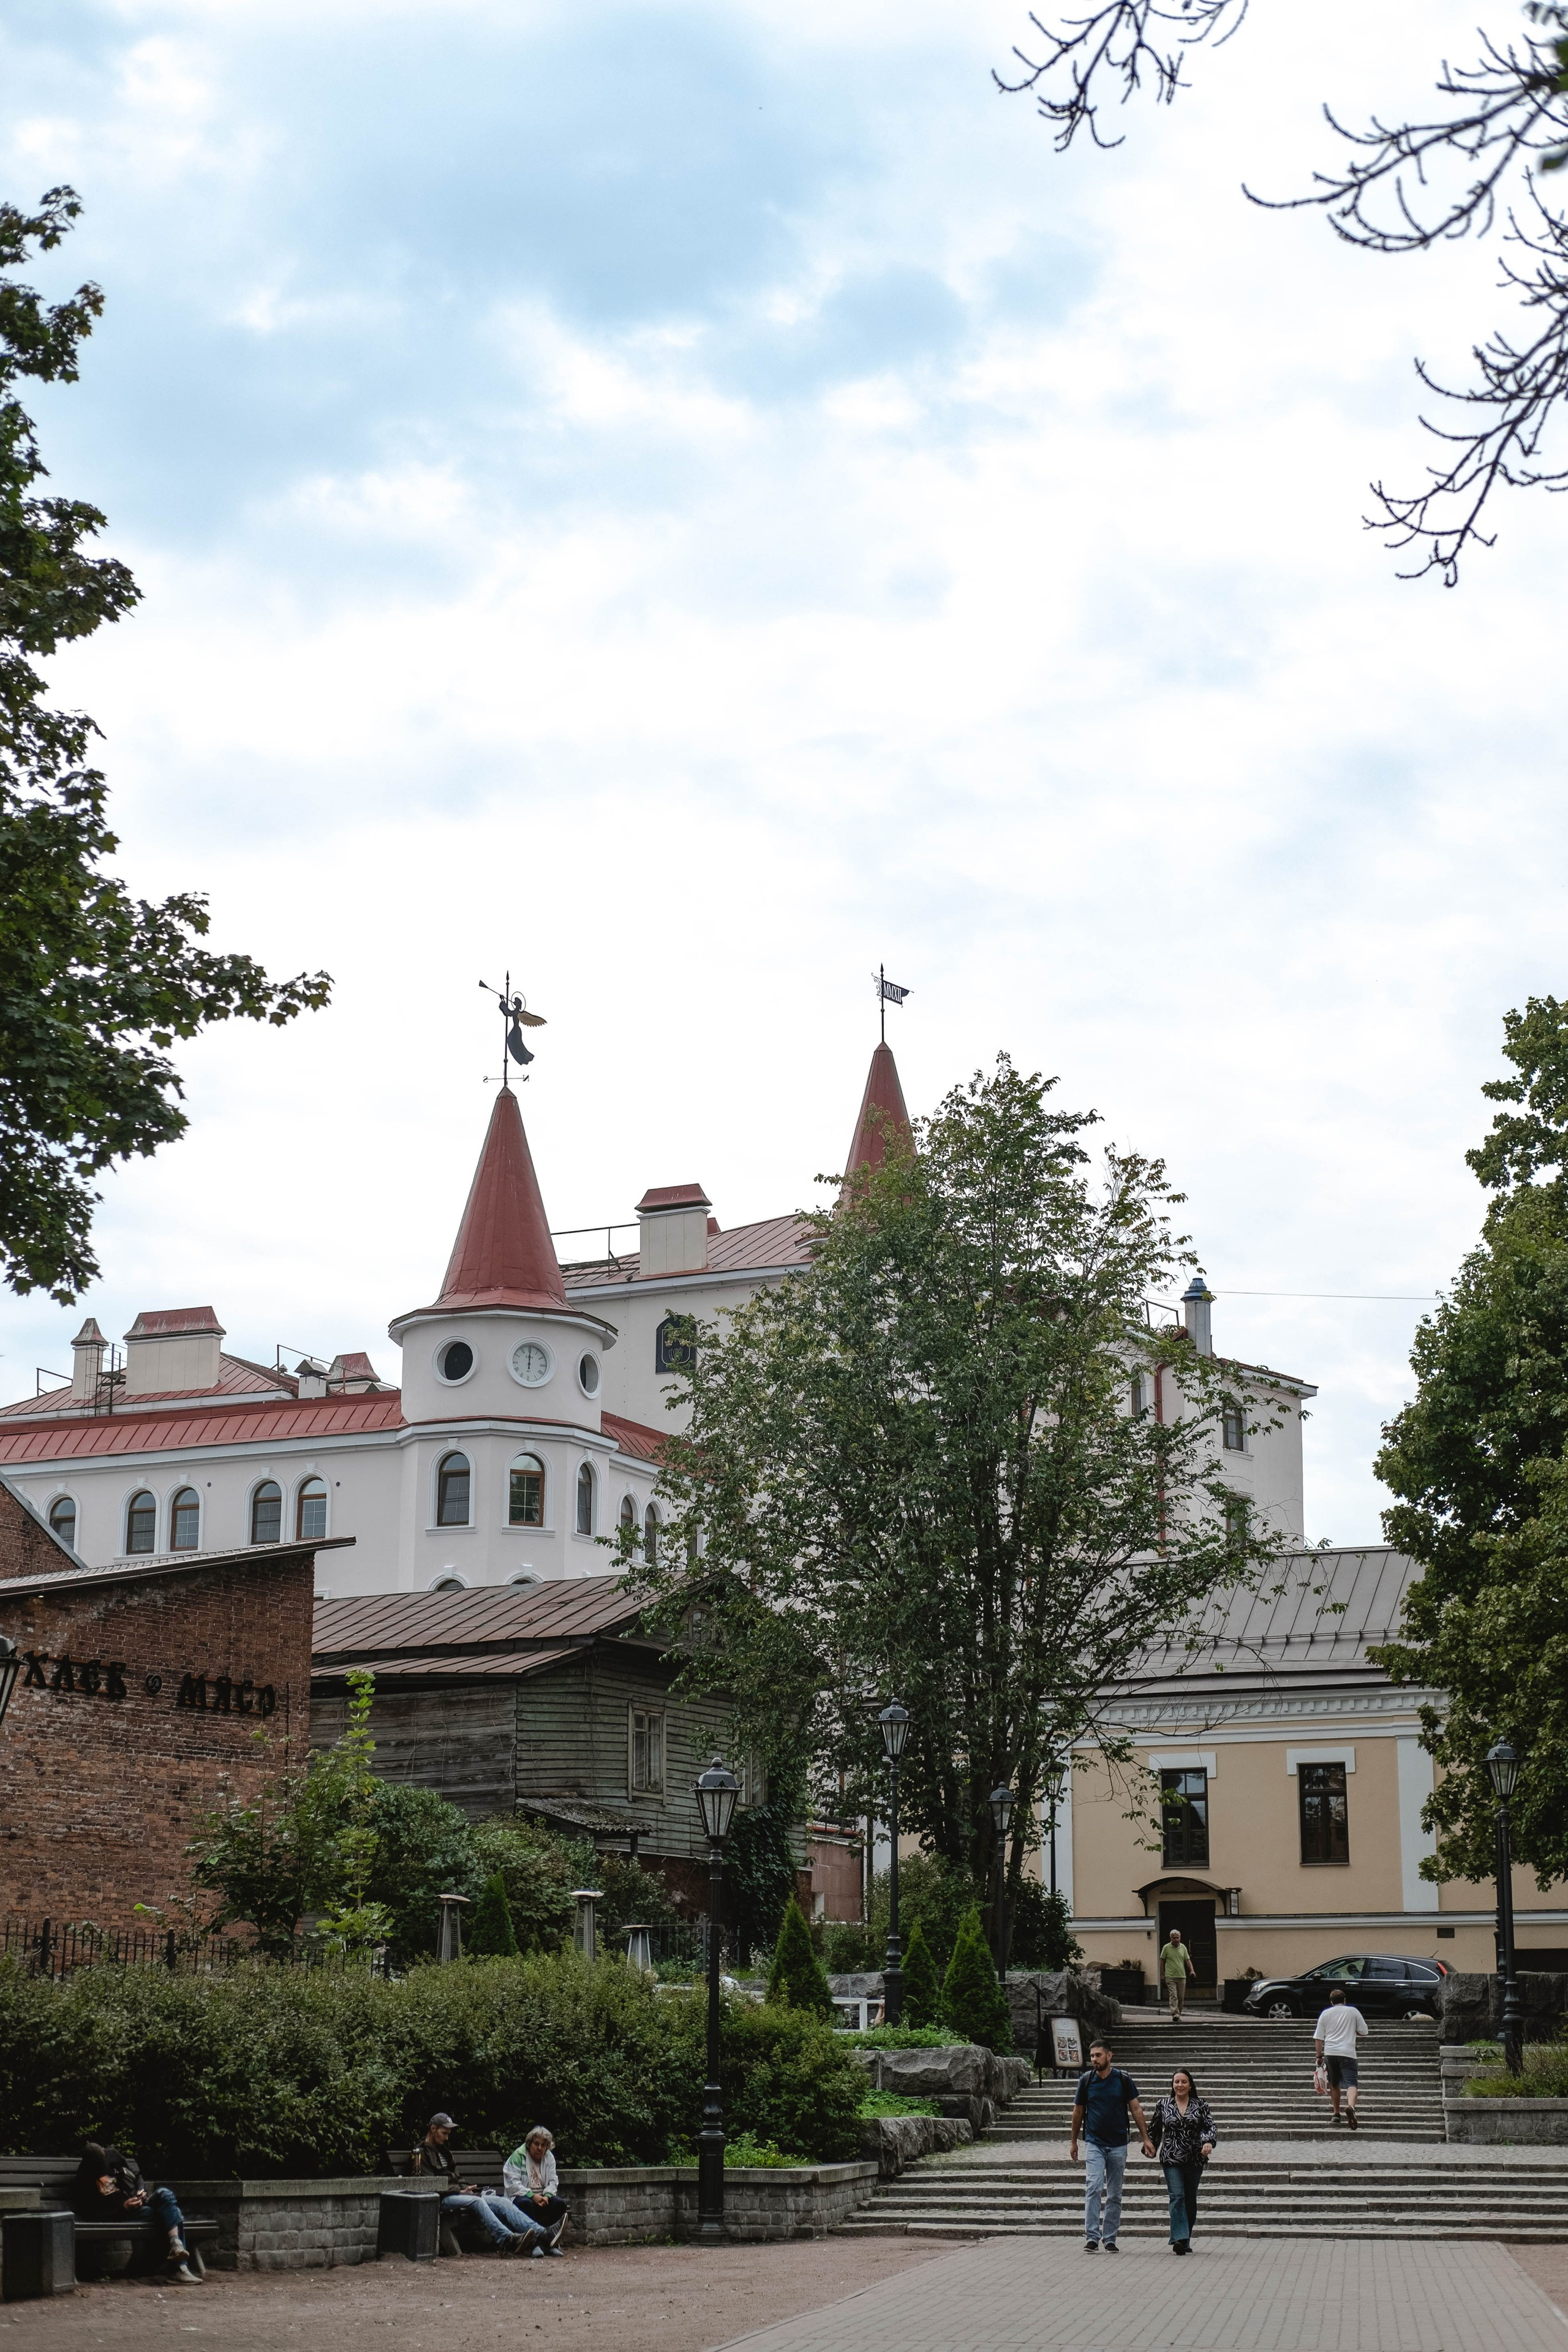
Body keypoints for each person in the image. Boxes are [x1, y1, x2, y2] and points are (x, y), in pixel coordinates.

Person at [411, 2114, 546, 2253]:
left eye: (448, 2134)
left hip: (457, 2194)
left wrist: (467, 2188)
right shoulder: (420, 2154)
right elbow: (429, 2184)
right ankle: (506, 2239)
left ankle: (543, 2233)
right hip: (441, 2198)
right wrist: (458, 2191)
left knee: (502, 2202)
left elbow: (455, 2177)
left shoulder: (443, 2152)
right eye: (444, 2133)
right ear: (433, 2129)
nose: (447, 2138)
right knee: (477, 2202)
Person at [1069, 2035, 1156, 2252]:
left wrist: (1145, 2138)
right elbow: (1078, 2111)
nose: (1094, 2060)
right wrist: (1074, 2141)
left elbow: (1136, 2109)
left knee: (1115, 2193)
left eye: (1098, 2055)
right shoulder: (1086, 2081)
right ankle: (1092, 2236)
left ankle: (1110, 2238)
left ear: (1109, 2055)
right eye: (1092, 2056)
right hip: (1094, 2142)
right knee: (1094, 2187)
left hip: (1118, 2144)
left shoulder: (1123, 2079)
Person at [71, 2141, 198, 2283]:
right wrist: (123, 2209)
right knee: (172, 2213)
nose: (104, 2165)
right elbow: (92, 2216)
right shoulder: (84, 2179)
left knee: (165, 2194)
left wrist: (141, 2190)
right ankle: (179, 2268)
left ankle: (176, 2245)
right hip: (125, 2215)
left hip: (141, 2204)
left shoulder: (113, 2155)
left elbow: (137, 2176)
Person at [1146, 2067, 1216, 2255]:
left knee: (1190, 2199)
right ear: (1172, 2085)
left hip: (1194, 2157)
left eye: (1184, 2082)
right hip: (1171, 2157)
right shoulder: (1164, 2104)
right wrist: (1150, 2145)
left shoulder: (1201, 2105)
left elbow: (1209, 2126)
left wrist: (1208, 2142)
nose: (1180, 2085)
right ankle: (1178, 2238)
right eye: (1177, 2082)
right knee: (1177, 2196)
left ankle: (1186, 2239)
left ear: (1190, 2085)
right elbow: (1155, 2128)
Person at [504, 2127, 570, 2256]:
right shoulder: (518, 2155)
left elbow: (553, 2181)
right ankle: (534, 2245)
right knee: (525, 2204)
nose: (540, 2148)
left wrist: (547, 2196)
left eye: (543, 2145)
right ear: (530, 2143)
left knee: (559, 2204)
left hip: (543, 2197)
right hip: (522, 2196)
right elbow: (513, 2184)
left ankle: (551, 2244)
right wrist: (533, 2196)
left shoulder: (549, 2157)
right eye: (537, 2144)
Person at [1313, 1984, 1368, 2130]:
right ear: (1344, 2000)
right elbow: (1364, 2031)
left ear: (1331, 2002)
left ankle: (1336, 2114)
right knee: (1351, 2083)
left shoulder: (1325, 2014)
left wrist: (1319, 2056)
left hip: (1331, 2053)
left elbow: (1319, 2038)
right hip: (1348, 2053)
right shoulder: (1353, 2011)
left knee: (1335, 2083)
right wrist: (1352, 2032)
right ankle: (1351, 2107)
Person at [1158, 1928, 1190, 2022]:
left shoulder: (1183, 1947)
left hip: (1182, 1976)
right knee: (1174, 1995)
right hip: (1170, 1976)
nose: (1176, 1940)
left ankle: (1178, 2014)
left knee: (1181, 1997)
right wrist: (1162, 1974)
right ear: (1171, 1938)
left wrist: (1192, 1971)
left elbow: (1187, 1960)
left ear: (1180, 1938)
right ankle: (1175, 2014)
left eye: (1178, 1938)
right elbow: (1162, 1961)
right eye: (1174, 1938)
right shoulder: (1166, 1948)